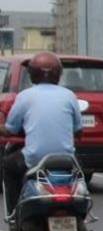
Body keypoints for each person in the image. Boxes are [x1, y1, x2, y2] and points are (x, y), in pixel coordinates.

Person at [0, 53, 83, 216]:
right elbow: (78, 131)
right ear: (58, 74)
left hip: (34, 158)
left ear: (32, 75)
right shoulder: (69, 95)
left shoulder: (24, 96)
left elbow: (10, 129)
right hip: (66, 159)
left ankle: (14, 214)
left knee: (9, 166)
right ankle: (80, 213)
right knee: (80, 173)